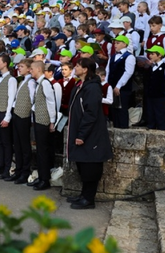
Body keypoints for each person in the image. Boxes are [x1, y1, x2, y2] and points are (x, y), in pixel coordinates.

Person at [67, 58, 113, 210]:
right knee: (82, 164)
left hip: (91, 134)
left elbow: (91, 113)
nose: (75, 67)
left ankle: (88, 198)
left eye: (78, 66)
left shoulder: (92, 88)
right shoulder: (81, 85)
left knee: (90, 167)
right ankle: (83, 195)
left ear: (86, 69)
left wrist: (81, 134)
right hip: (81, 131)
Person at [30, 61, 57, 191]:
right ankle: (41, 177)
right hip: (38, 119)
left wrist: (52, 121)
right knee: (40, 151)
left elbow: (51, 102)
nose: (31, 71)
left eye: (32, 69)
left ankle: (45, 179)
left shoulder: (45, 83)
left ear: (38, 69)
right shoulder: (39, 83)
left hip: (44, 121)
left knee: (43, 151)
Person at [105, 35, 134, 128]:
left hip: (123, 88)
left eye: (118, 43)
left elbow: (128, 72)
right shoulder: (112, 56)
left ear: (124, 44)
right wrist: (106, 84)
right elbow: (107, 71)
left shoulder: (129, 56)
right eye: (115, 43)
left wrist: (119, 85)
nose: (115, 45)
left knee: (122, 109)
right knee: (114, 110)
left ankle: (123, 128)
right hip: (112, 86)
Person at [144, 45, 165, 130]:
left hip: (160, 95)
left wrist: (161, 88)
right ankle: (151, 126)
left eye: (152, 54)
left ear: (159, 55)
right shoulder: (151, 67)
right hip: (151, 94)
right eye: (150, 54)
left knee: (160, 113)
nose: (150, 56)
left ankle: (161, 128)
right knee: (150, 112)